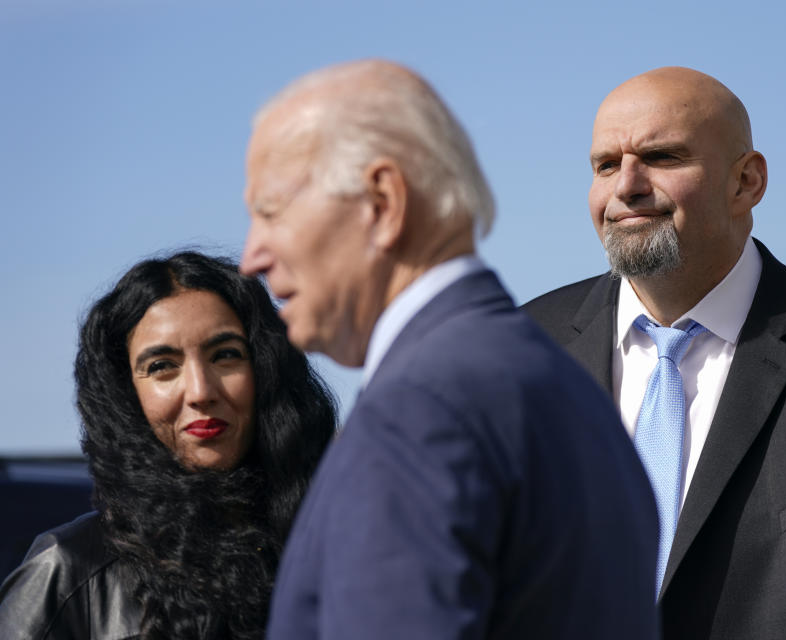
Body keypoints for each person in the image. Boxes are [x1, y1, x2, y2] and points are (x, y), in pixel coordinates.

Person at [523, 66, 786, 639]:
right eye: (606, 165)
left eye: (661, 156)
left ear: (747, 182)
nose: (625, 185)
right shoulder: (521, 351)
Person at [240, 59, 660, 639]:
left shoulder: (416, 410)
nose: (251, 257)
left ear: (382, 203)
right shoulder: (565, 385)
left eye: (270, 212)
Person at [0, 251, 337, 640]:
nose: (200, 391)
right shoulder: (68, 571)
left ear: (265, 370)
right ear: (125, 395)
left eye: (225, 356)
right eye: (162, 366)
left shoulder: (337, 547)